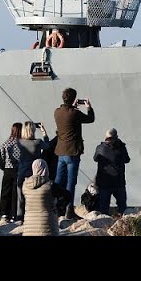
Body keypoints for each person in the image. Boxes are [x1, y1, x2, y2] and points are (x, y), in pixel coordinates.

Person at [54, 87, 95, 219]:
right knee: (71, 183)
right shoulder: (75, 113)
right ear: (73, 99)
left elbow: (67, 116)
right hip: (72, 152)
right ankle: (68, 210)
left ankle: (54, 207)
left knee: (58, 181)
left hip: (60, 151)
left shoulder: (57, 112)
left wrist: (73, 106)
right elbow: (90, 119)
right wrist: (88, 107)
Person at [21, 159, 71, 236]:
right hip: (47, 226)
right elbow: (68, 196)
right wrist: (58, 208)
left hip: (29, 227)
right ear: (45, 169)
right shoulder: (50, 185)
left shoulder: (25, 185)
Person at [16, 121, 51, 221]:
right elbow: (48, 146)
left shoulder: (19, 142)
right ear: (33, 131)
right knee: (34, 198)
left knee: (20, 198)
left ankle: (19, 217)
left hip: (22, 172)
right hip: (34, 174)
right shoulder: (38, 142)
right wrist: (44, 133)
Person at [93, 128, 131, 216]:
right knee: (122, 207)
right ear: (116, 137)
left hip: (104, 182)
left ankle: (103, 225)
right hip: (119, 181)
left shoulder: (100, 148)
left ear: (106, 137)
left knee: (103, 208)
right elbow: (127, 160)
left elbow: (95, 158)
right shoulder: (121, 147)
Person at [0, 123, 22, 222]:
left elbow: (0, 161)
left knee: (5, 193)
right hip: (18, 170)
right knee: (16, 193)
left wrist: (5, 168)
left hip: (7, 170)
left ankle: (3, 214)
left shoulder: (5, 144)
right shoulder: (23, 144)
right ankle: (13, 214)